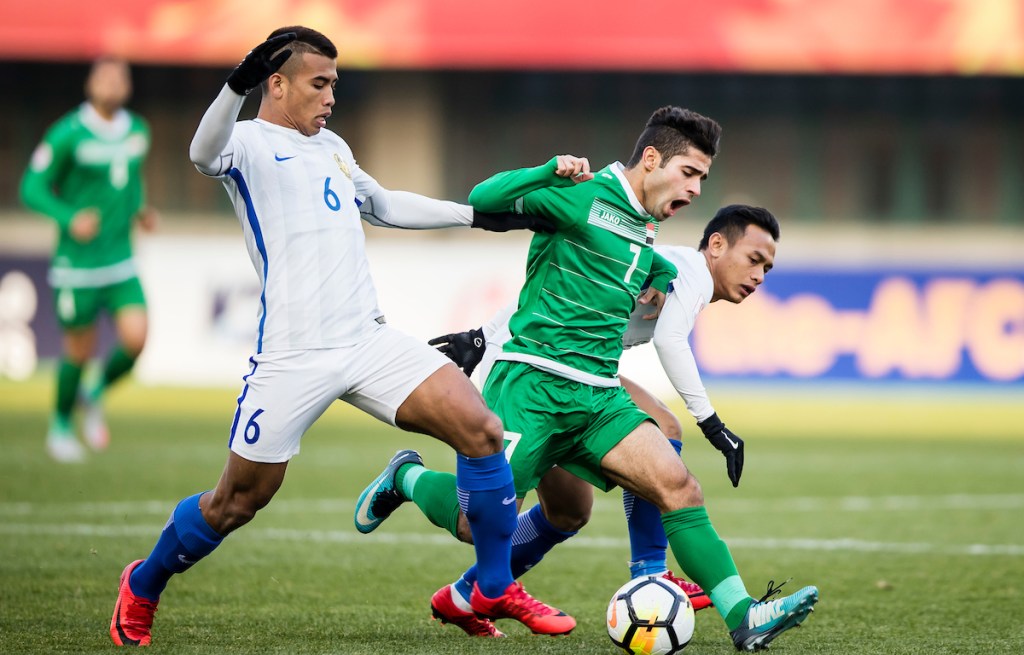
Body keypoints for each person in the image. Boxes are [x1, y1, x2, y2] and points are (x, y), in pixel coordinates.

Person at [108, 26, 571, 647]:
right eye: (319, 84)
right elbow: (200, 153)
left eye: (335, 84)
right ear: (276, 85)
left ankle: (492, 585)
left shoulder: (332, 147)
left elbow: (382, 204)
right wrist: (235, 84)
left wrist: (481, 218)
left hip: (366, 339)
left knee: (481, 429)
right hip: (294, 354)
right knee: (237, 501)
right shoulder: (245, 142)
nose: (330, 97)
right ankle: (144, 581)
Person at [355, 107, 819, 651]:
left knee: (671, 488)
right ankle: (407, 478)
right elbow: (484, 198)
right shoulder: (580, 194)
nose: (696, 189)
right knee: (470, 522)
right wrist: (545, 172)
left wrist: (661, 272)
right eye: (690, 173)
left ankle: (745, 615)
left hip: (598, 396)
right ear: (652, 160)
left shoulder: (646, 226)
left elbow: (633, 264)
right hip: (532, 388)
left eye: (702, 178)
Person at [404, 204, 778, 628]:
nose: (759, 276)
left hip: (579, 375)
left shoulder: (673, 269)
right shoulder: (691, 273)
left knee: (569, 511)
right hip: (526, 372)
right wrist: (711, 421)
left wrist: (482, 333)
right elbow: (670, 340)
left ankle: (465, 595)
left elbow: (559, 292)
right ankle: (407, 477)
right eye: (754, 259)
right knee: (472, 523)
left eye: (767, 268)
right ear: (716, 245)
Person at [20, 57, 158, 463]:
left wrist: (141, 210)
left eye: (120, 78)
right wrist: (69, 218)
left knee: (136, 339)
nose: (112, 84)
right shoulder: (68, 133)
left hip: (120, 260)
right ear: (90, 83)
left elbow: (130, 180)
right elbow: (31, 187)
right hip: (77, 265)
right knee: (78, 351)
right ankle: (61, 426)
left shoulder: (138, 131)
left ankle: (94, 392)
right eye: (105, 77)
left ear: (128, 86)